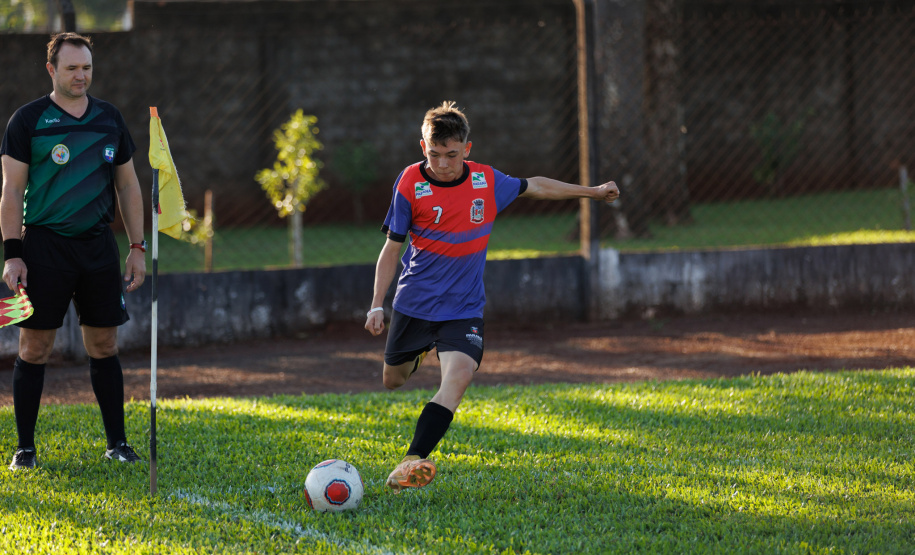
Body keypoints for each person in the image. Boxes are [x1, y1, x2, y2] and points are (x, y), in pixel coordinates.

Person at [365, 101, 620, 491]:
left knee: (459, 376)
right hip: (414, 303)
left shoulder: (486, 181)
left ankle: (412, 460)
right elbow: (391, 249)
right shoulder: (409, 183)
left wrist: (593, 191)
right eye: (434, 155)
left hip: (464, 308)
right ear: (422, 148)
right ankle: (418, 352)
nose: (443, 164)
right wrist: (376, 303)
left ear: (467, 149)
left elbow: (536, 186)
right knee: (392, 381)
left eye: (452, 155)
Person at [1, 32, 147, 470]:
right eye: (71, 68)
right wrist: (12, 255)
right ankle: (25, 448)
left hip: (98, 247)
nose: (80, 75)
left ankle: (117, 443)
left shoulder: (109, 118)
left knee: (104, 343)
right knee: (34, 347)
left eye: (86, 67)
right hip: (43, 247)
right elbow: (11, 191)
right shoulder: (27, 121)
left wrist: (137, 246)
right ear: (52, 70)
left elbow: (127, 184)